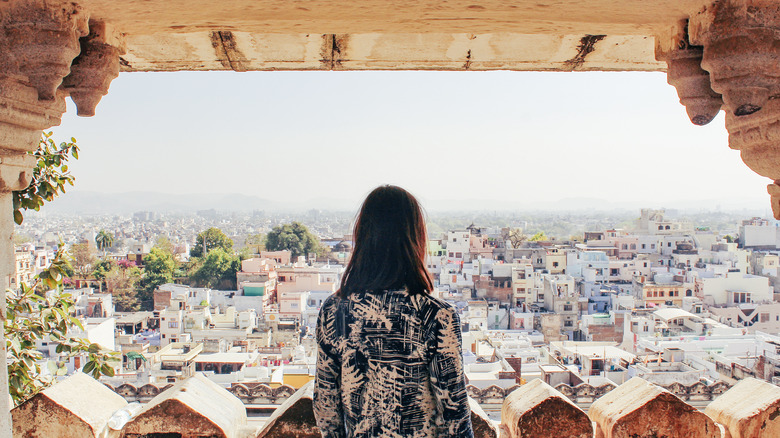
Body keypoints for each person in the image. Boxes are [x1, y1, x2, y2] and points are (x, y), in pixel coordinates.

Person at [313, 185, 474, 438]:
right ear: (415, 238)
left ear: (363, 236)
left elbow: (326, 409)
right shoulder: (435, 316)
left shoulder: (335, 311)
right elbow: (454, 416)